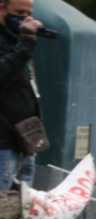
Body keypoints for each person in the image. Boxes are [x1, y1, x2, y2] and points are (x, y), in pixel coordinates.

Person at [0, 0, 44, 190]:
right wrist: (26, 43)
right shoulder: (21, 43)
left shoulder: (15, 39)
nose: (25, 19)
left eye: (29, 14)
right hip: (4, 142)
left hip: (26, 136)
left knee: (25, 201)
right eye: (19, 13)